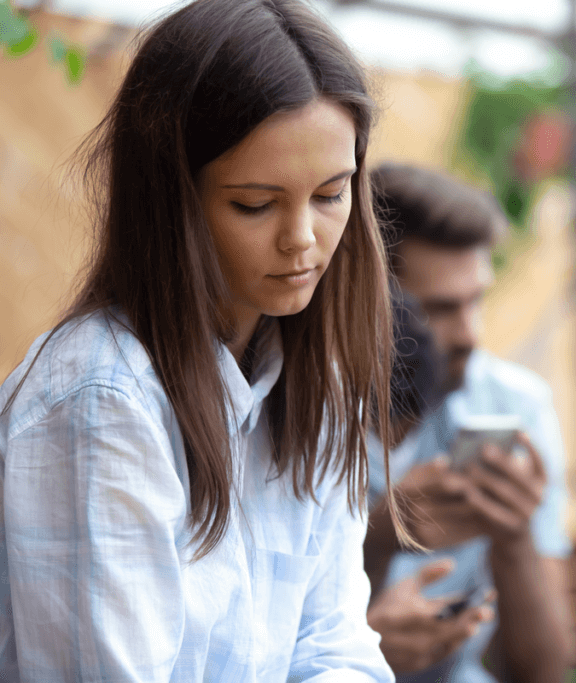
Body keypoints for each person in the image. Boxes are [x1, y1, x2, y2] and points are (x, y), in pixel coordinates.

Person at [0, 0, 401, 679]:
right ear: (171, 198)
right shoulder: (103, 399)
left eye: (331, 194)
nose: (302, 239)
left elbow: (337, 646)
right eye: (255, 203)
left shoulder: (318, 387)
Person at [363, 164, 574, 683]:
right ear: (366, 301)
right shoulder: (294, 413)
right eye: (439, 309)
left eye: (476, 299)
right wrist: (379, 536)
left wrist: (515, 538)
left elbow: (544, 672)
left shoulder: (511, 407)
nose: (469, 335)